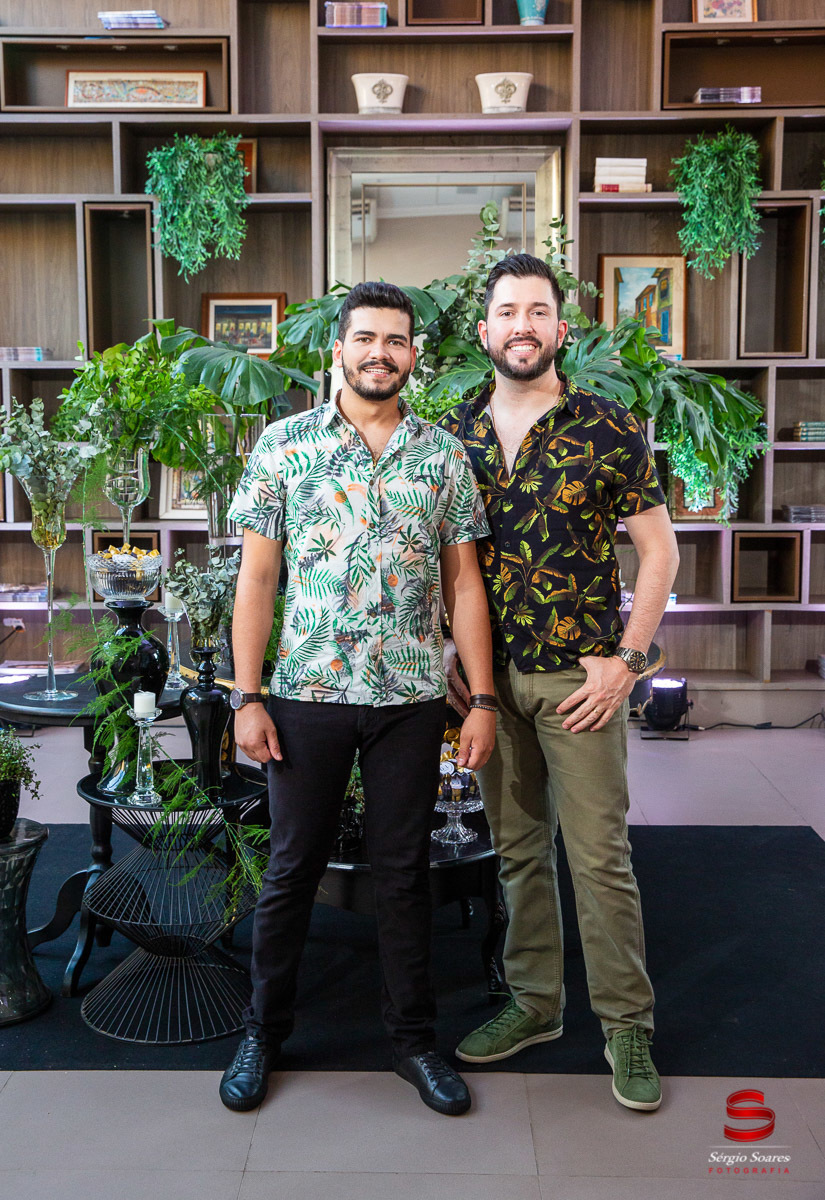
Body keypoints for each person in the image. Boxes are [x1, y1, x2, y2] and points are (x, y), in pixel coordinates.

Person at [219, 281, 497, 1117]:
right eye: (367, 338)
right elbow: (256, 579)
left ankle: (413, 1041)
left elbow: (465, 586)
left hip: (410, 696)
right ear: (337, 349)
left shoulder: (440, 456)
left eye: (396, 340)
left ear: (413, 354)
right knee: (291, 868)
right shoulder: (284, 445)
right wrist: (246, 695)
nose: (382, 352)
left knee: (403, 874)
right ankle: (263, 1032)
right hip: (305, 691)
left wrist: (482, 698)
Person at [439, 253, 679, 1112]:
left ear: (559, 329)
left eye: (537, 311)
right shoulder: (451, 434)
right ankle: (535, 1004)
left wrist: (628, 659)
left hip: (580, 682)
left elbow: (659, 552)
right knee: (516, 852)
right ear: (484, 331)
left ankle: (626, 1026)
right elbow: (443, 562)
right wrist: (453, 660)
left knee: (599, 859)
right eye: (507, 312)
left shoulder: (607, 425)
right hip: (488, 687)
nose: (522, 326)